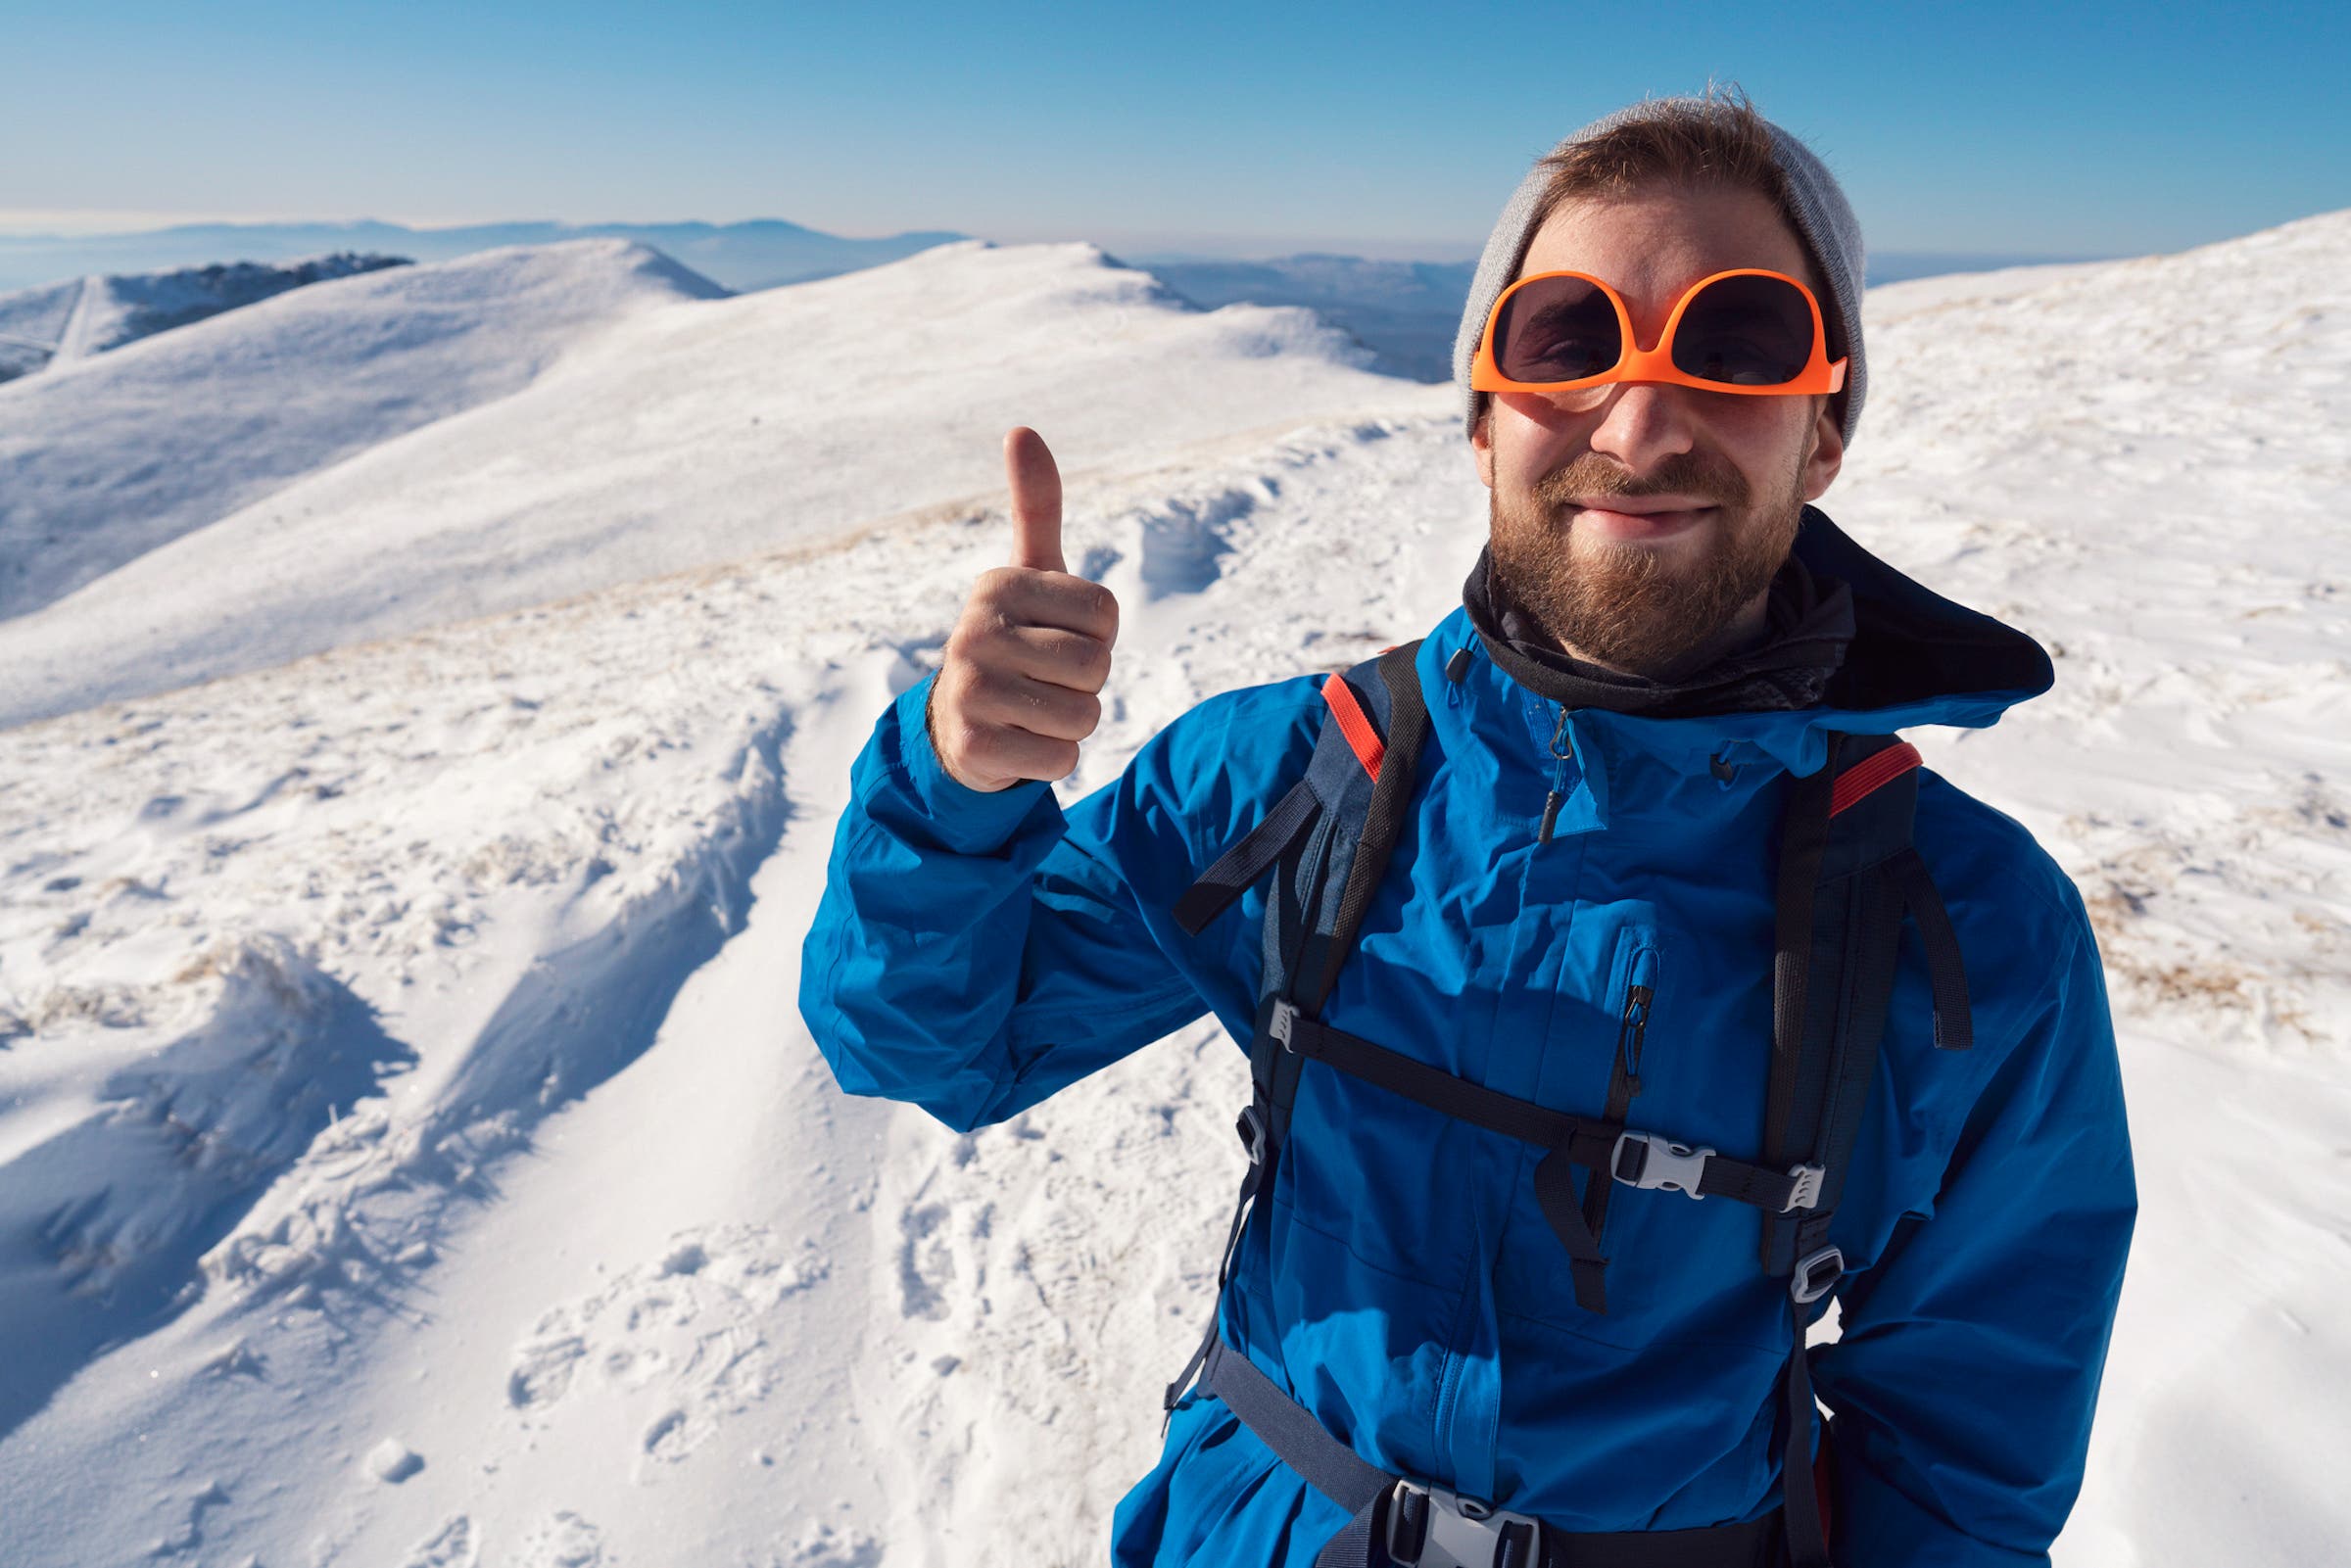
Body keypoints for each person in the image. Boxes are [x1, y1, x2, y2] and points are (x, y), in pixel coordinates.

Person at [800, 87, 2135, 1568]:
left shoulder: (1970, 925)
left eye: (1740, 340)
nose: (1642, 420)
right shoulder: (1296, 774)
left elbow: (1965, 1461)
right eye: (1567, 338)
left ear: (1822, 432)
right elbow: (937, 1044)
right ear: (1485, 418)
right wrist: (953, 790)